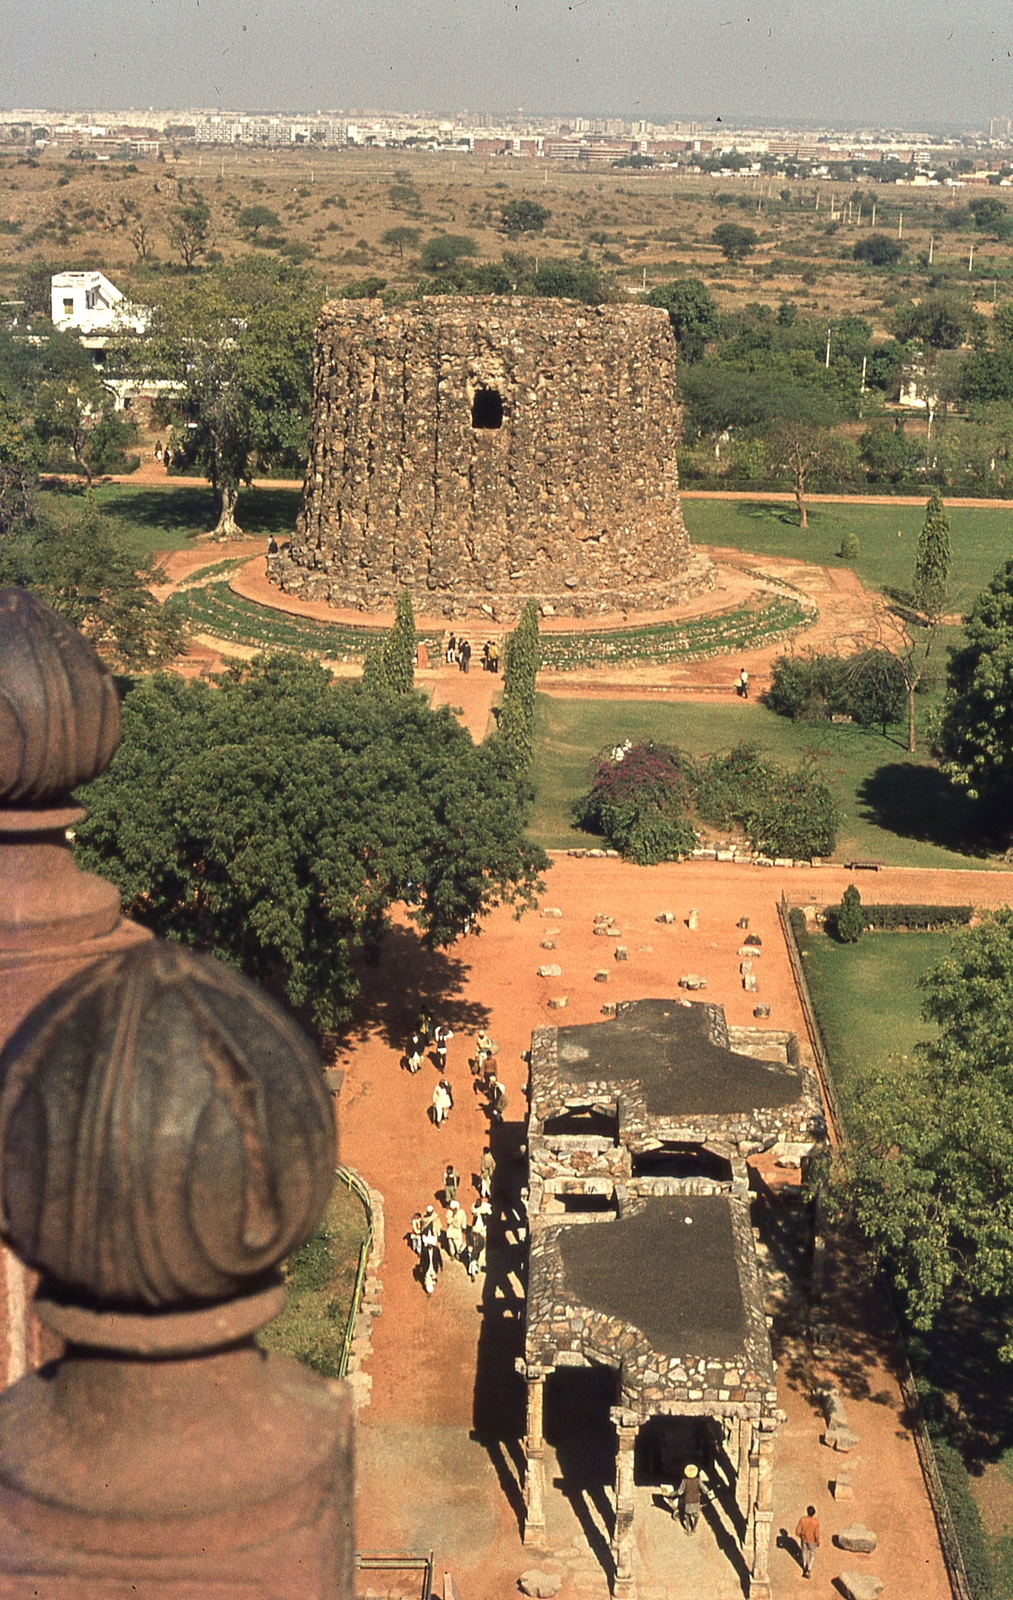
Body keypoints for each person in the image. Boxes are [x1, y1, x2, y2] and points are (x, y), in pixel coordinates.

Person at [675, 1463, 704, 1533]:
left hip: (688, 1501)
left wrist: (675, 1493)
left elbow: (680, 1492)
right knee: (697, 1514)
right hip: (696, 1500)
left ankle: (688, 1530)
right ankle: (694, 1528)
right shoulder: (698, 1480)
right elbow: (704, 1489)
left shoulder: (684, 1481)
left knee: (687, 1515)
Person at [795, 1506, 820, 1579]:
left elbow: (797, 1531)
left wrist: (801, 1536)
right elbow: (817, 1534)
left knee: (804, 1551)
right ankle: (809, 1569)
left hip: (804, 1539)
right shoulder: (816, 1522)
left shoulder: (802, 1520)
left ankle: (804, 1565)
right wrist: (818, 1541)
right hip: (812, 1540)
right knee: (812, 1554)